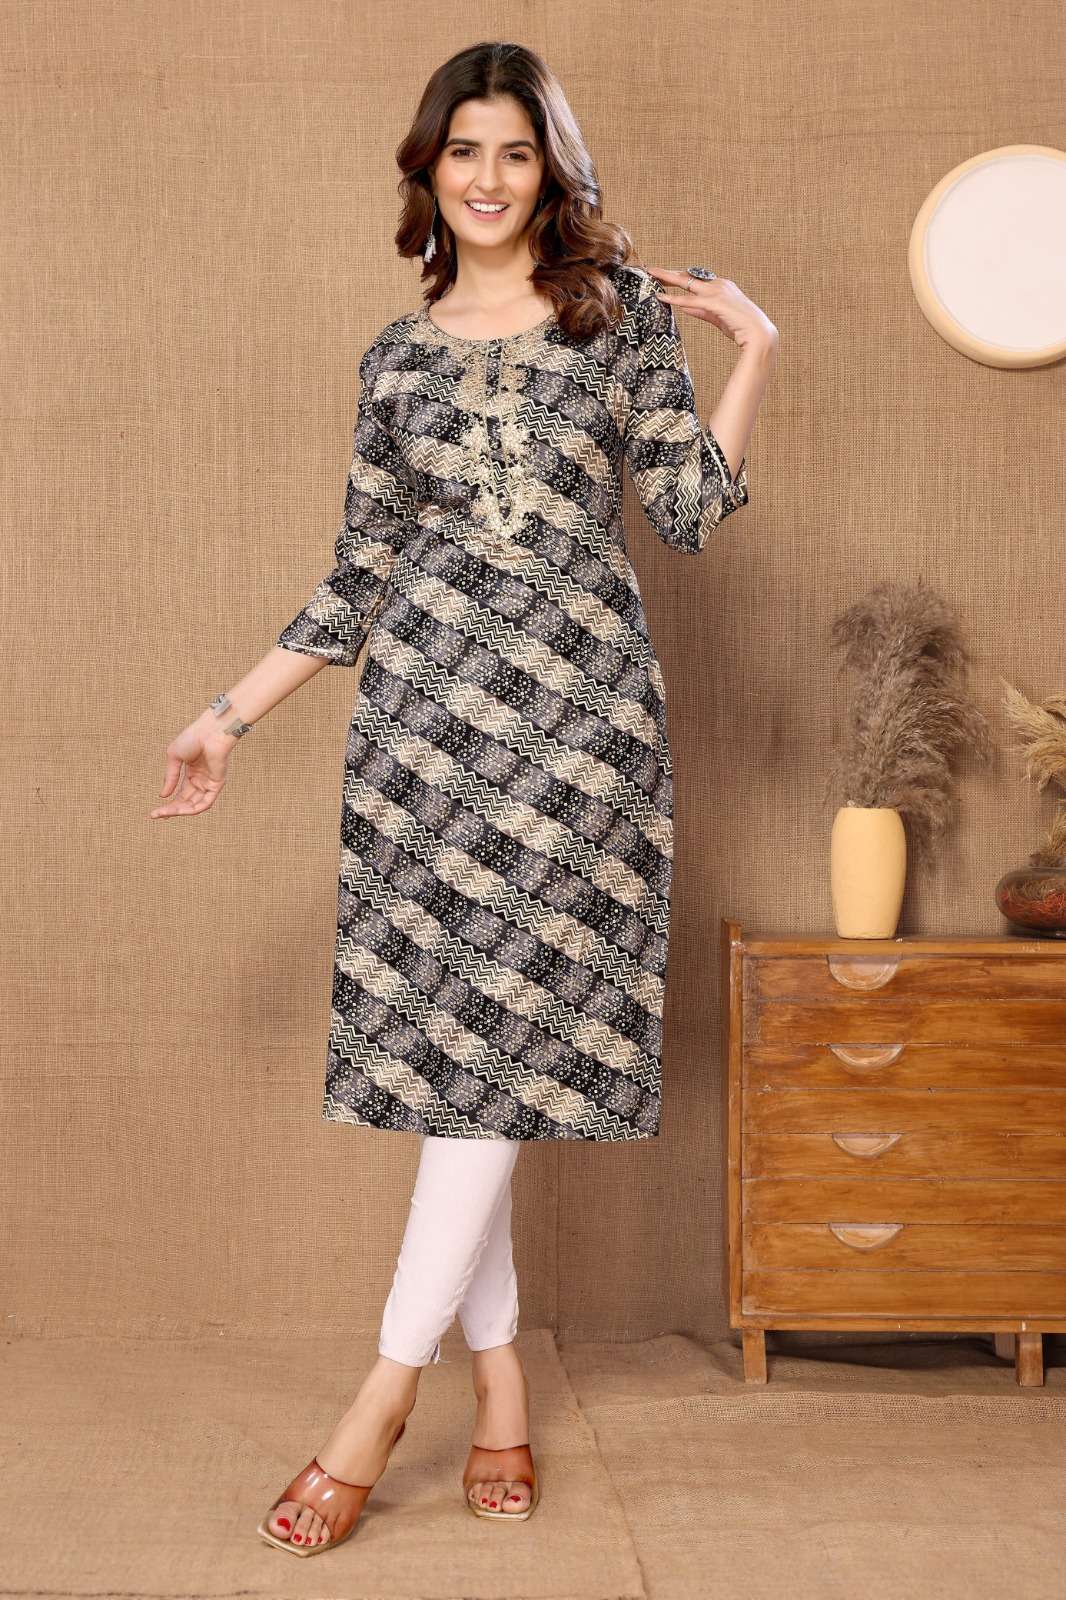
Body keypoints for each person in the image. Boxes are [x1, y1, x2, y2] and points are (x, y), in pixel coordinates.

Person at [149, 40, 778, 1559]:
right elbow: (355, 581)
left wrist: (755, 349)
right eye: (462, 153)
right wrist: (224, 719)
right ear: (428, 172)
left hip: (579, 737)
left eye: (515, 152)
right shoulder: (396, 358)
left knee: (498, 1055)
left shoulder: (614, 321)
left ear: (549, 170)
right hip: (420, 740)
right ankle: (499, 1390)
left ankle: (379, 1400)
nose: (488, 180)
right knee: (463, 1073)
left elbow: (689, 514)